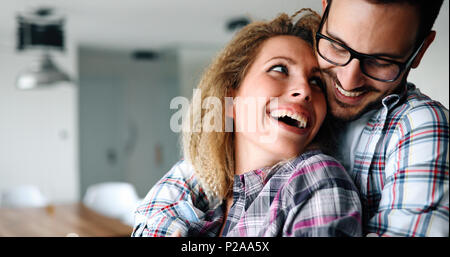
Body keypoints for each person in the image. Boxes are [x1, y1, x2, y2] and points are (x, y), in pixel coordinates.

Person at [132, 9, 362, 237]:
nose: (304, 91)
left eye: (316, 82)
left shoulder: (316, 178)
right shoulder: (200, 183)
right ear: (229, 100)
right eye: (280, 69)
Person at [316, 0, 448, 236]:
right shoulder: (289, 95)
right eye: (337, 46)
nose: (348, 81)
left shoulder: (422, 124)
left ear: (420, 51)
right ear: (324, 9)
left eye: (380, 62)